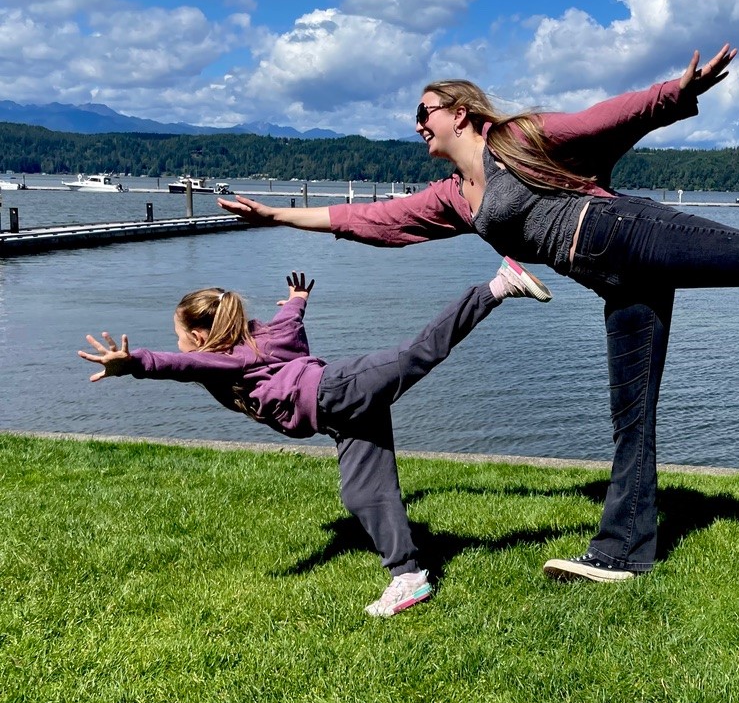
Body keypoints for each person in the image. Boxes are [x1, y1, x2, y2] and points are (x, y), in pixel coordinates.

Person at [217, 43, 739, 584]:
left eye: (424, 110)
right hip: (618, 280)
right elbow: (374, 221)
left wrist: (677, 94)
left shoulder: (520, 140)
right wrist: (278, 217)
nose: (417, 123)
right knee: (631, 416)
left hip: (635, 234)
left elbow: (604, 120)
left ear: (461, 110)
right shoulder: (457, 198)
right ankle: (626, 550)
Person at [76, 257, 552, 615]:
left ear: (200, 336)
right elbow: (291, 322)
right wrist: (298, 299)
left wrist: (134, 363)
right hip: (342, 413)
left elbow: (179, 364)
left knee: (420, 352)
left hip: (341, 389)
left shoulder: (223, 358)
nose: (178, 342)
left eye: (179, 333)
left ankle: (497, 285)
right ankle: (409, 577)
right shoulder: (265, 336)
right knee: (363, 494)